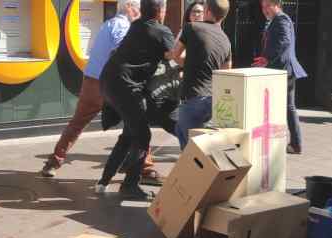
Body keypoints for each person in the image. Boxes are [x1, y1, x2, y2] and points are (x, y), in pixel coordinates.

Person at [41, 0, 140, 177]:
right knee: (138, 123)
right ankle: (145, 168)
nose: (140, 12)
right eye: (138, 8)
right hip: (111, 84)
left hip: (92, 80)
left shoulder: (107, 24)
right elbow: (122, 50)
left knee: (77, 123)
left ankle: (53, 162)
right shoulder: (123, 26)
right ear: (129, 7)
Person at [97, 0, 174, 200]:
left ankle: (104, 181)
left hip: (108, 80)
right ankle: (130, 185)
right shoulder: (162, 31)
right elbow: (174, 57)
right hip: (126, 86)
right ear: (160, 10)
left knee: (130, 132)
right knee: (143, 135)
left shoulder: (136, 25)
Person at [170, 0, 232, 151]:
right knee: (199, 144)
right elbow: (226, 73)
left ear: (207, 11)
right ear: (224, 16)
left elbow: (175, 55)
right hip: (213, 101)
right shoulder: (226, 40)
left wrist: (190, 64)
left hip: (193, 98)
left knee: (190, 151)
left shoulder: (192, 27)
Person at [253, 0, 306, 155]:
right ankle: (294, 143)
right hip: (282, 70)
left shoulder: (281, 19)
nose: (265, 10)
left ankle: (292, 143)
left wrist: (267, 58)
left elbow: (284, 41)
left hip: (283, 70)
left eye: (268, 6)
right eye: (263, 7)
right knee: (287, 107)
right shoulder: (276, 20)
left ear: (277, 5)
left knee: (284, 107)